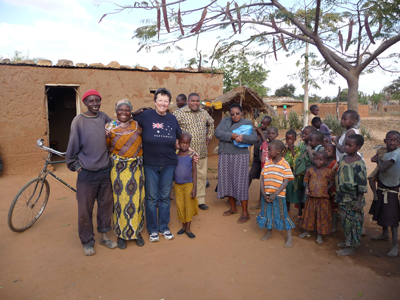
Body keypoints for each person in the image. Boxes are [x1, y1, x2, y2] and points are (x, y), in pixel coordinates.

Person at [66, 89, 117, 256]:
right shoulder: (79, 121)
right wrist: (76, 166)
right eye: (91, 101)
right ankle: (87, 241)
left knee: (105, 206)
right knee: (85, 209)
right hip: (87, 173)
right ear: (85, 103)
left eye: (97, 101)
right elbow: (72, 146)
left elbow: (116, 129)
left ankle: (104, 236)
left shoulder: (104, 117)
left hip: (105, 171)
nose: (95, 104)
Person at [132, 88, 182, 242]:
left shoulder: (172, 119)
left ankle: (164, 228)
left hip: (168, 163)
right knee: (152, 198)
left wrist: (190, 152)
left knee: (165, 197)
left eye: (166, 101)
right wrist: (138, 111)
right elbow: (128, 118)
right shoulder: (146, 116)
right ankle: (153, 229)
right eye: (160, 100)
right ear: (154, 102)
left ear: (169, 103)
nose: (163, 103)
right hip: (150, 164)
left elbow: (180, 139)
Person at [105, 99, 145, 250]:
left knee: (137, 200)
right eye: (120, 110)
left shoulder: (137, 125)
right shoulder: (110, 127)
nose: (123, 112)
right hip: (119, 169)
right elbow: (106, 146)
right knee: (121, 202)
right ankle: (121, 234)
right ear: (116, 111)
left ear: (131, 112)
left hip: (136, 168)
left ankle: (136, 232)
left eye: (127, 110)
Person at [215, 103, 257, 224]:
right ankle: (233, 208)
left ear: (241, 113)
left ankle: (245, 213)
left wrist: (242, 138)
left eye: (237, 113)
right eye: (232, 114)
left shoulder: (247, 123)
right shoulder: (224, 121)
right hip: (224, 155)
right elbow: (218, 133)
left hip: (240, 155)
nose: (235, 116)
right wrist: (232, 136)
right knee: (227, 181)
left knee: (240, 182)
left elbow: (254, 138)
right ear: (229, 114)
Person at [173, 92, 214, 210]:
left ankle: (200, 200)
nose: (195, 103)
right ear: (188, 101)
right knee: (184, 176)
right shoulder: (179, 113)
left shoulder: (204, 113)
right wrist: (176, 142)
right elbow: (172, 127)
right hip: (185, 153)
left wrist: (209, 137)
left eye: (197, 101)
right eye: (192, 101)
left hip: (201, 151)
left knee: (201, 176)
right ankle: (184, 198)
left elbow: (211, 123)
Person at [257, 140, 295, 248]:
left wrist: (275, 194)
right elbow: (262, 179)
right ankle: (269, 232)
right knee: (268, 213)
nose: (267, 152)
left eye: (269, 150)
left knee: (282, 215)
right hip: (267, 194)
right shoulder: (267, 163)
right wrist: (263, 191)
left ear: (278, 151)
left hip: (278, 196)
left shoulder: (284, 164)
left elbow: (285, 182)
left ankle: (289, 237)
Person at [369, 130, 400, 257]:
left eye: (396, 140)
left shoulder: (396, 154)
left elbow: (382, 168)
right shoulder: (386, 152)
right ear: (385, 141)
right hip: (383, 184)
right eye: (390, 140)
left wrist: (377, 160)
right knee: (383, 211)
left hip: (392, 187)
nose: (392, 142)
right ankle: (384, 234)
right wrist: (377, 158)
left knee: (392, 217)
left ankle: (395, 246)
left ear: (399, 143)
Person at [335, 134, 367, 256]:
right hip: (342, 198)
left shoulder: (359, 164)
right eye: (345, 144)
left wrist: (359, 201)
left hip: (353, 200)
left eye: (350, 145)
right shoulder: (343, 157)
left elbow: (362, 185)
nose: (346, 147)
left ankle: (351, 246)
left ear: (358, 147)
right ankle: (348, 241)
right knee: (345, 221)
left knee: (353, 223)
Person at [299, 151, 335, 244]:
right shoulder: (309, 170)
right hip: (311, 198)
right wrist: (307, 189)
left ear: (325, 161)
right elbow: (306, 181)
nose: (318, 162)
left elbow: (332, 182)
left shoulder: (329, 172)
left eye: (321, 160)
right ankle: (306, 231)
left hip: (323, 198)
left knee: (321, 217)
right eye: (316, 159)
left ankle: (319, 235)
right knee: (308, 215)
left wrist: (327, 189)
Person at [174, 132, 198, 239]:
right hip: (177, 184)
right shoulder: (175, 154)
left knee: (188, 206)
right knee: (180, 205)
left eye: (187, 143)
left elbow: (194, 171)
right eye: (182, 142)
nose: (184, 145)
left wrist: (195, 187)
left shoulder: (192, 155)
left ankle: (188, 228)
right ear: (179, 142)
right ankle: (183, 226)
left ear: (190, 143)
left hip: (188, 184)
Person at [293, 126, 317, 220]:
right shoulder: (302, 145)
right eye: (303, 133)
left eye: (306, 134)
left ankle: (307, 215)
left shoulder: (313, 148)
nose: (303, 135)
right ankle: (300, 211)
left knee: (306, 194)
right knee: (300, 193)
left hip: (307, 174)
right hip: (299, 174)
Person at [249, 116, 271, 210]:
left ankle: (260, 202)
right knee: (249, 177)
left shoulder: (268, 133)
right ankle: (241, 196)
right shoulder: (257, 132)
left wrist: (261, 132)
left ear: (268, 125)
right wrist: (255, 132)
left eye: (264, 124)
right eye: (261, 123)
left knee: (263, 181)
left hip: (265, 161)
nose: (261, 125)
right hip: (257, 159)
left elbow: (265, 142)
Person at [283, 129, 300, 211]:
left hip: (292, 172)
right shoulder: (283, 149)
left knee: (291, 190)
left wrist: (292, 150)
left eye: (291, 139)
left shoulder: (296, 149)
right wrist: (286, 150)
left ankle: (292, 206)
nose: (289, 141)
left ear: (295, 139)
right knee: (284, 190)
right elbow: (280, 159)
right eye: (287, 139)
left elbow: (297, 161)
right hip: (283, 172)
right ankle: (287, 207)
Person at [325, 144, 339, 232]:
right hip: (324, 187)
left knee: (334, 207)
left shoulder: (334, 163)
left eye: (329, 151)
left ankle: (333, 225)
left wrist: (328, 187)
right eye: (325, 150)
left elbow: (335, 179)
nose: (326, 152)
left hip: (332, 189)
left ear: (334, 152)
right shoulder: (323, 161)